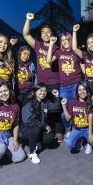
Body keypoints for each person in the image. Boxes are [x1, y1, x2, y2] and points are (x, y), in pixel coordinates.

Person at [23, 13, 63, 142]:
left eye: (48, 32)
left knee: (55, 108)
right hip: (41, 83)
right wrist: (28, 20)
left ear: (52, 35)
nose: (46, 34)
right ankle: (43, 127)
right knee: (40, 106)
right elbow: (26, 35)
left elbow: (49, 61)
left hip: (53, 82)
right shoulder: (38, 45)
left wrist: (51, 45)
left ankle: (58, 130)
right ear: (41, 35)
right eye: (43, 32)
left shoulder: (57, 48)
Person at [47, 33, 82, 140]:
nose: (65, 41)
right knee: (64, 111)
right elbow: (48, 61)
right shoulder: (58, 52)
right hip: (64, 86)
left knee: (77, 109)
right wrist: (51, 44)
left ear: (71, 40)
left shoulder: (75, 51)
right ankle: (68, 128)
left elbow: (83, 60)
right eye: (62, 40)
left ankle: (78, 129)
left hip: (75, 84)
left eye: (67, 39)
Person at [19, 83, 61, 164]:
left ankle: (36, 142)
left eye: (45, 91)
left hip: (39, 129)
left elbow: (56, 107)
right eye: (40, 90)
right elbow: (30, 122)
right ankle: (31, 152)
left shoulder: (44, 103)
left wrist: (56, 97)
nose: (43, 93)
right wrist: (45, 125)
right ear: (35, 91)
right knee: (35, 128)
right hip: (26, 131)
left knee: (49, 138)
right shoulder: (29, 103)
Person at [61, 81, 93, 154]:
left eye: (84, 89)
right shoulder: (73, 101)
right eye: (79, 90)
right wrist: (63, 106)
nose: (82, 92)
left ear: (87, 90)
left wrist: (90, 134)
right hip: (76, 129)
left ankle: (87, 142)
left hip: (87, 128)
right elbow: (68, 118)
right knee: (68, 145)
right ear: (77, 92)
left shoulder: (91, 102)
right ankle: (80, 139)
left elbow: (90, 119)